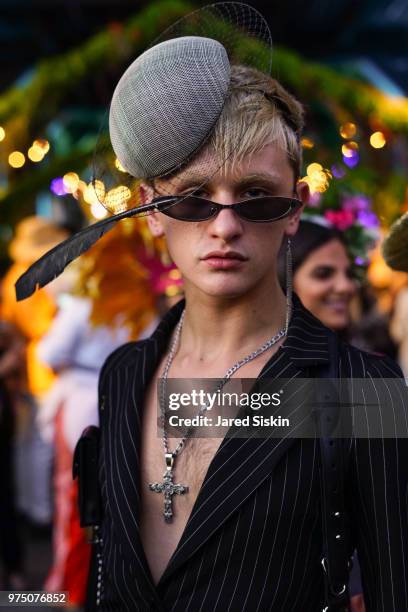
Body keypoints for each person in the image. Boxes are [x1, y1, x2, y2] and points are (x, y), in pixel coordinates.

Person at [13, 6, 408, 611]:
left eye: (255, 196)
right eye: (194, 198)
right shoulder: (124, 375)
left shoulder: (361, 390)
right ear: (151, 208)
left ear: (295, 207)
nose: (224, 226)